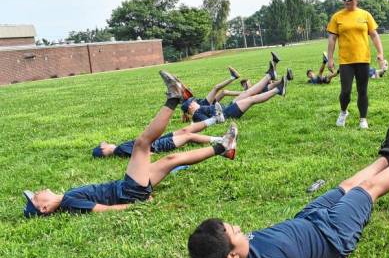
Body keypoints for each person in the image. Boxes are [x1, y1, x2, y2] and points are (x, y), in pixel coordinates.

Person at [187, 121, 389, 258]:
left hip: (308, 218)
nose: (239, 228)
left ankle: (387, 156)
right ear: (232, 256)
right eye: (235, 231)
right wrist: (343, 253)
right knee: (367, 189)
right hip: (332, 234)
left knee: (346, 185)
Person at [22, 71, 239, 217]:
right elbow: (102, 209)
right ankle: (174, 97)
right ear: (43, 207)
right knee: (142, 143)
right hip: (128, 191)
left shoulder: (68, 197)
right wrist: (138, 204)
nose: (39, 191)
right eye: (36, 197)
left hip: (129, 188)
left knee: (173, 159)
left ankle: (223, 147)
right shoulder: (69, 202)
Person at [326, 0, 386, 129]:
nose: (347, 0)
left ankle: (363, 119)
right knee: (345, 91)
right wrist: (330, 58)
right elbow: (332, 39)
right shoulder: (337, 17)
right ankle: (343, 112)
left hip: (363, 59)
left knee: (362, 91)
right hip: (346, 61)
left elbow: (374, 35)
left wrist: (380, 53)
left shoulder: (365, 15)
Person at [182, 65, 287, 123]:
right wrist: (217, 115)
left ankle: (269, 76)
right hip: (227, 114)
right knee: (252, 99)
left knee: (248, 92)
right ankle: (278, 89)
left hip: (228, 107)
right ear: (190, 107)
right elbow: (207, 123)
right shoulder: (196, 115)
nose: (195, 101)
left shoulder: (199, 109)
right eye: (193, 101)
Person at [92, 118, 225, 158]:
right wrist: (155, 153)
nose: (107, 143)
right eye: (104, 144)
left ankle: (215, 119)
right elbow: (141, 152)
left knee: (184, 130)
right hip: (158, 145)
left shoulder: (120, 149)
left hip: (156, 140)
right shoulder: (120, 149)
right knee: (187, 136)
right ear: (103, 150)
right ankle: (221, 140)